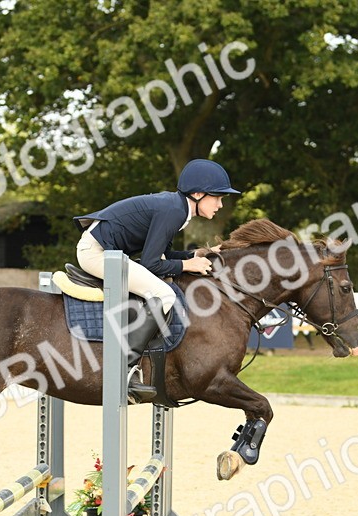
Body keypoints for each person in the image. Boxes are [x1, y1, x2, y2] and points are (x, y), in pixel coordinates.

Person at [73, 158, 240, 402]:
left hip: (107, 252)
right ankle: (126, 369)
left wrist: (196, 255)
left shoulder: (177, 208)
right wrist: (187, 265)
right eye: (217, 197)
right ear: (197, 194)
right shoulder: (173, 210)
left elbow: (163, 254)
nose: (220, 204)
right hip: (95, 254)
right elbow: (151, 264)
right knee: (165, 295)